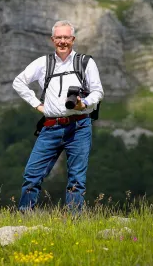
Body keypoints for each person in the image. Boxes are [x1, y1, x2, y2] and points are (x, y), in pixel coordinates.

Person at [12, 20, 104, 212]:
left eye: (66, 37)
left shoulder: (85, 62)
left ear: (73, 39)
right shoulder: (43, 63)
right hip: (50, 126)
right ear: (53, 39)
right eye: (59, 37)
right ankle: (23, 217)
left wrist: (84, 103)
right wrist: (37, 104)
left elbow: (97, 92)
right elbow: (18, 82)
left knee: (77, 178)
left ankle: (74, 222)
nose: (63, 41)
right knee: (32, 174)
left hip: (79, 126)